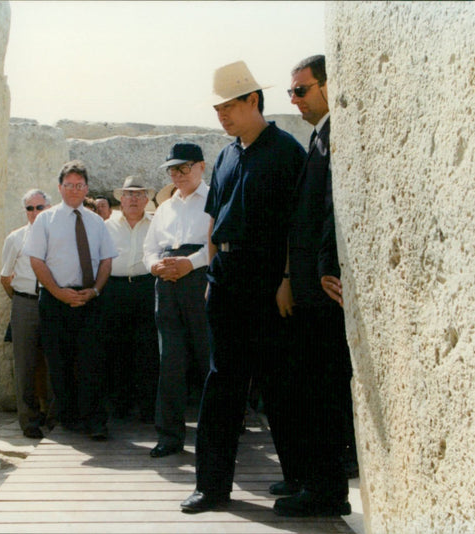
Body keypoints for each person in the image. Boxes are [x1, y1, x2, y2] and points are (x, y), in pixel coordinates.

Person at [180, 61, 306, 512]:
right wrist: (213, 276)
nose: (222, 115)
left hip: (270, 281)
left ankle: (299, 480)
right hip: (228, 280)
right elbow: (214, 220)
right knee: (222, 387)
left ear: (254, 100)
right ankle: (211, 488)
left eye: (229, 106)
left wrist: (288, 280)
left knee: (280, 385)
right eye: (217, 108)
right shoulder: (227, 154)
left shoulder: (288, 151)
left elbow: (298, 225)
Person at [271, 54, 355, 518]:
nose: (294, 99)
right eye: (291, 92)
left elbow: (332, 208)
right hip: (308, 288)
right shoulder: (319, 138)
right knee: (313, 390)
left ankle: (326, 490)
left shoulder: (334, 136)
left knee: (323, 394)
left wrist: (328, 266)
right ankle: (319, 481)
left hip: (324, 291)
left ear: (327, 87)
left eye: (301, 90)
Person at [23, 160, 118, 440]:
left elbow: (106, 261)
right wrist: (58, 292)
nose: (74, 190)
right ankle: (69, 421)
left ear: (86, 188)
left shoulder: (96, 222)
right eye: (69, 185)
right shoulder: (45, 220)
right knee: (60, 363)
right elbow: (36, 260)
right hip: (56, 300)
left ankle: (96, 422)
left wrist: (96, 290)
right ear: (60, 188)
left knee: (93, 363)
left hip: (90, 299)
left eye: (79, 185)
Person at [143, 143, 211, 459]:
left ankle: (216, 436)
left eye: (184, 168)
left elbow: (218, 243)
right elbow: (150, 248)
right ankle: (169, 436)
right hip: (167, 283)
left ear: (201, 167)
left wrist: (190, 264)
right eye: (172, 169)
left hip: (201, 280)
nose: (177, 174)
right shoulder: (166, 207)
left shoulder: (214, 199)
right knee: (170, 361)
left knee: (208, 357)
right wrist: (155, 266)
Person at [103, 176, 159, 423]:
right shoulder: (106, 226)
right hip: (114, 290)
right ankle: (120, 406)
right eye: (129, 194)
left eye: (139, 194)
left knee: (148, 348)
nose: (134, 199)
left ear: (147, 199)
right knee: (116, 347)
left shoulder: (156, 224)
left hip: (146, 288)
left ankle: (148, 407)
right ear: (121, 199)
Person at [0, 189, 53, 439]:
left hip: (53, 302)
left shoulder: (57, 236)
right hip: (25, 303)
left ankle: (56, 419)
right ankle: (29, 421)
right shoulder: (15, 238)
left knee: (56, 362)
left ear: (48, 209)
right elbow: (5, 277)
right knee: (25, 364)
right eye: (29, 208)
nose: (34, 213)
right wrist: (21, 300)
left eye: (39, 207)